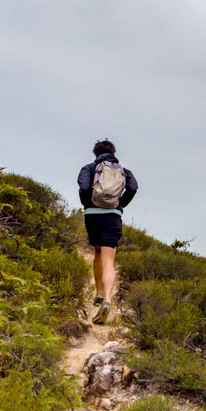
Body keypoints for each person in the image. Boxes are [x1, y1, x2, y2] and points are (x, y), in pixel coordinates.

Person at [77, 139, 138, 324]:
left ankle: (98, 294)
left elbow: (85, 187)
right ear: (113, 152)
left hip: (92, 215)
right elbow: (133, 187)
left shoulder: (89, 168)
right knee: (109, 260)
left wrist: (88, 203)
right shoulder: (123, 171)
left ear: (95, 153)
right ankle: (107, 300)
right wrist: (120, 204)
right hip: (112, 216)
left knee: (97, 251)